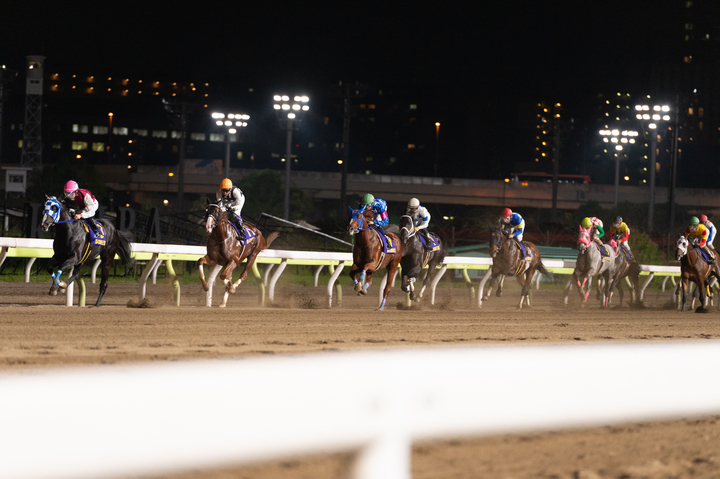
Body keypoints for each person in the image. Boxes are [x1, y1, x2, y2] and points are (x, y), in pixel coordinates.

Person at [216, 178, 246, 242]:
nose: (224, 193)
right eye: (223, 190)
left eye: (226, 191)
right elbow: (220, 205)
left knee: (236, 213)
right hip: (228, 202)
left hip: (237, 202)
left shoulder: (236, 192)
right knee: (222, 214)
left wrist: (233, 208)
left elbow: (239, 205)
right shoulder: (219, 193)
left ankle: (242, 233)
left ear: (231, 189)